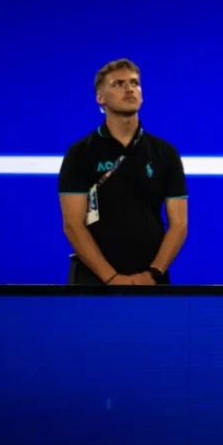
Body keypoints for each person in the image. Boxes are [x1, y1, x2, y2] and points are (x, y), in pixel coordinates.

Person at [58, 58, 188, 285]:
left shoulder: (165, 153)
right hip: (93, 280)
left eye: (134, 83)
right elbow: (72, 224)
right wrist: (111, 278)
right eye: (118, 84)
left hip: (151, 281)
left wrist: (153, 273)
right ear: (100, 98)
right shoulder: (80, 153)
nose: (129, 89)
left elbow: (179, 224)